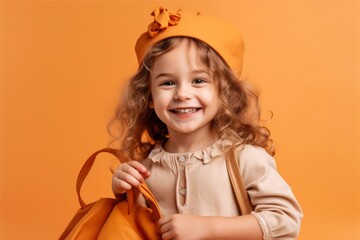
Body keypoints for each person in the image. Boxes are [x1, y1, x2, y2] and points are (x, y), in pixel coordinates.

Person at [110, 6, 303, 240]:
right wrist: (128, 192)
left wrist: (209, 228)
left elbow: (286, 220)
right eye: (168, 83)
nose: (182, 93)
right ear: (149, 97)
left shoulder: (244, 159)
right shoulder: (147, 167)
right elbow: (137, 227)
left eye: (198, 80)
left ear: (225, 92)